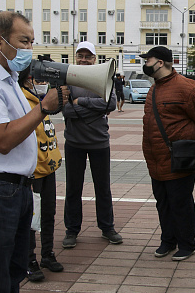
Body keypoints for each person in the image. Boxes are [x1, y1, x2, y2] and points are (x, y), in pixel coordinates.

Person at [0, 11, 68, 292]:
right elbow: (3, 140)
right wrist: (43, 108)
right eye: (23, 41)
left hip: (14, 189)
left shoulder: (8, 78)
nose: (29, 48)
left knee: (12, 271)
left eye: (32, 42)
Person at [141, 46, 195, 261]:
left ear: (161, 62)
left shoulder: (189, 88)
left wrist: (190, 146)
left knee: (180, 203)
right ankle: (168, 241)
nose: (145, 64)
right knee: (163, 202)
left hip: (180, 159)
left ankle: (186, 244)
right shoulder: (153, 89)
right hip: (155, 159)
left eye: (148, 60)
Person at [62, 42, 121, 248]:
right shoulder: (67, 79)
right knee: (73, 189)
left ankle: (107, 228)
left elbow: (110, 104)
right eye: (80, 56)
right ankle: (71, 230)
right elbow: (65, 110)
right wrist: (97, 109)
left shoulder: (104, 78)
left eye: (88, 56)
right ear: (76, 57)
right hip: (74, 143)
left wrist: (80, 102)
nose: (84, 60)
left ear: (95, 59)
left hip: (99, 143)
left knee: (103, 188)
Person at [18, 69, 64, 282]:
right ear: (28, 80)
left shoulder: (39, 99)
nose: (43, 83)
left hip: (48, 167)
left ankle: (47, 253)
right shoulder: (22, 99)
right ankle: (29, 259)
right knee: (32, 218)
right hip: (33, 171)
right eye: (39, 79)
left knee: (48, 213)